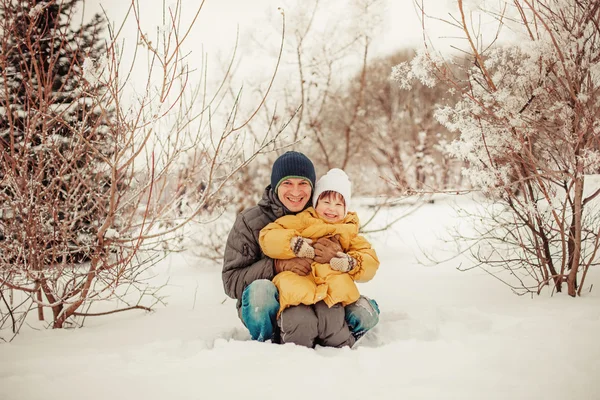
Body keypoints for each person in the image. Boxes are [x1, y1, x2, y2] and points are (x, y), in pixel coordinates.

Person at [222, 151, 380, 348]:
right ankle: (268, 343)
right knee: (260, 292)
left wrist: (340, 257)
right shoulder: (250, 221)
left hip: (319, 300)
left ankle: (331, 339)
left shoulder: (327, 216)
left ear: (312, 188)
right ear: (276, 185)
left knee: (366, 311)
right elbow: (230, 282)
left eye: (303, 183)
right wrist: (278, 265)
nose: (296, 192)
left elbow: (361, 252)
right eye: (288, 183)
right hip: (276, 302)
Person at [259, 168, 379, 347]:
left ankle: (335, 360)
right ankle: (287, 353)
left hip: (332, 295)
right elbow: (268, 236)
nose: (332, 209)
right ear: (315, 202)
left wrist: (350, 263)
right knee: (300, 326)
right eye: (326, 202)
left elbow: (369, 260)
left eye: (339, 205)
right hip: (297, 288)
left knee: (335, 334)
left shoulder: (348, 232)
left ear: (346, 208)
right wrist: (293, 244)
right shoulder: (302, 220)